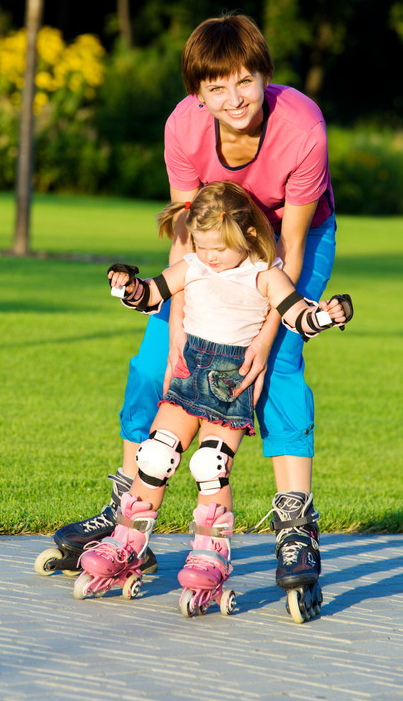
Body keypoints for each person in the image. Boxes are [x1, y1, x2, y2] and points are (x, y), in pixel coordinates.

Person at [52, 13, 338, 598]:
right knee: (154, 362)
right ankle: (129, 507)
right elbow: (184, 236)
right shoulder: (183, 127)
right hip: (208, 246)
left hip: (289, 243)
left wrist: (265, 335)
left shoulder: (302, 126)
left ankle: (295, 524)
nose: (235, 99)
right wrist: (177, 321)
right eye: (217, 87)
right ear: (198, 94)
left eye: (245, 81)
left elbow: (288, 246)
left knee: (280, 367)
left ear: (265, 76)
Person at [74, 182, 351, 622]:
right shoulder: (192, 266)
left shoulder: (266, 274)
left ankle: (210, 556)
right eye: (201, 247)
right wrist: (127, 286)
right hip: (187, 376)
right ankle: (126, 543)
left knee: (210, 465)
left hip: (230, 385)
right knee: (155, 455)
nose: (209, 257)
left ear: (248, 235)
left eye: (218, 248)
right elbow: (151, 292)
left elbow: (297, 314)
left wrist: (325, 315)